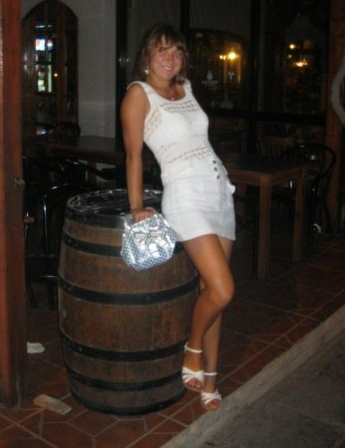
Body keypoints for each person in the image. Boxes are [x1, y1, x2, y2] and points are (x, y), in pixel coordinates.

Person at [120, 23, 235, 411]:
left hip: (219, 190)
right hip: (185, 196)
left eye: (177, 51)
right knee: (224, 289)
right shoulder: (139, 94)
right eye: (161, 50)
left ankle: (211, 379)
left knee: (212, 293)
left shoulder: (187, 88)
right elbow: (133, 155)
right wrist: (137, 205)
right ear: (147, 56)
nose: (170, 58)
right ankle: (193, 347)